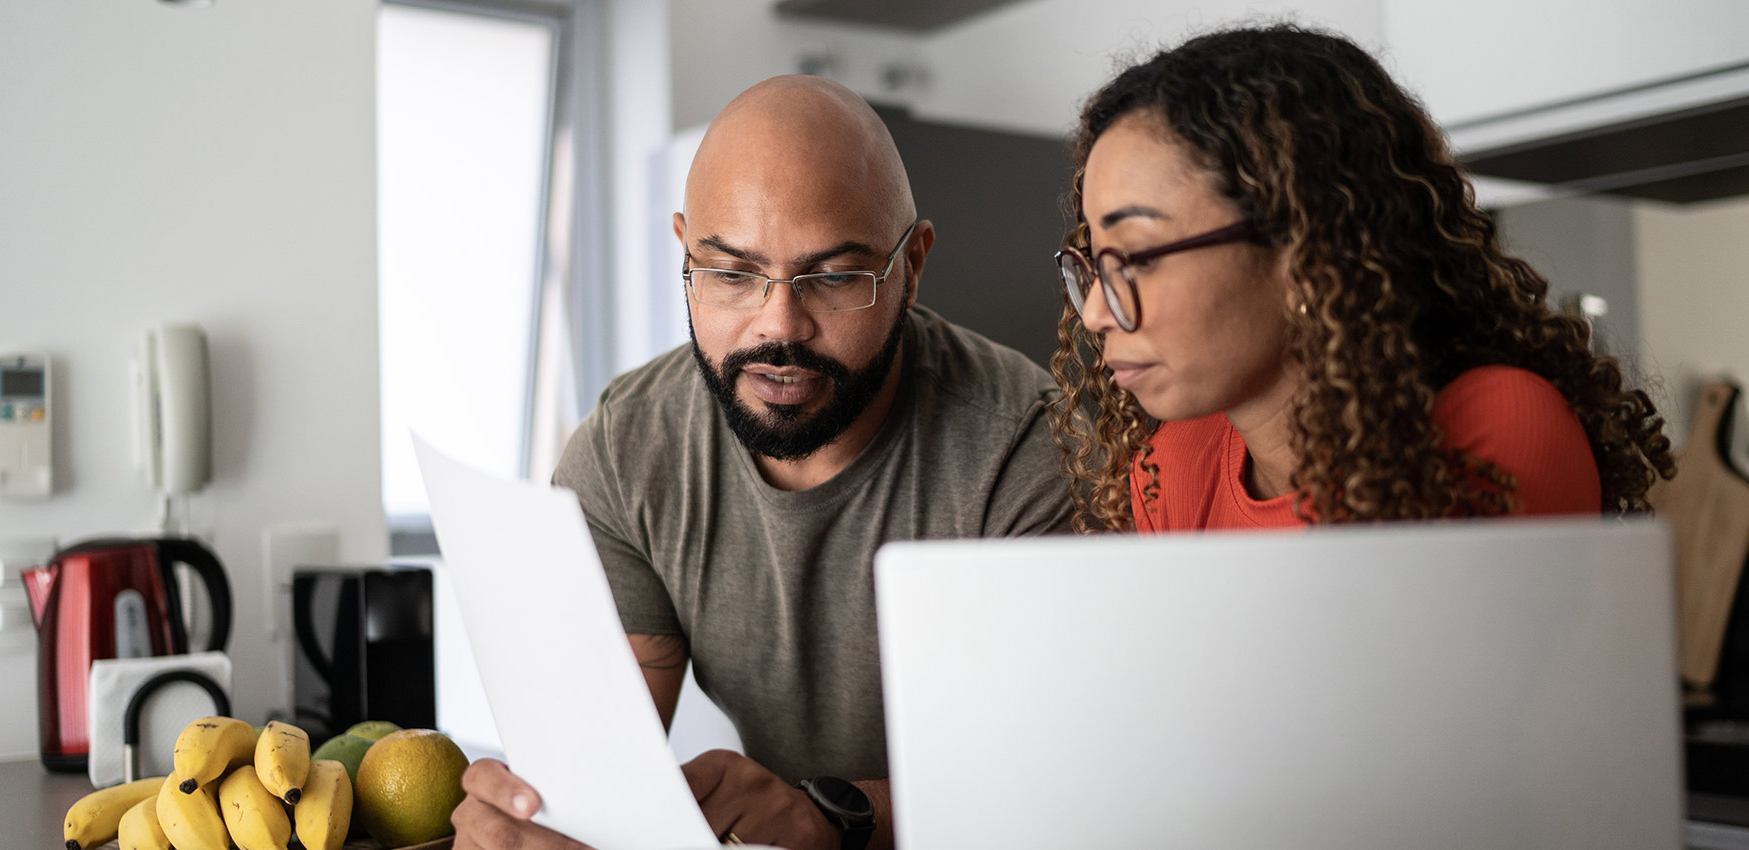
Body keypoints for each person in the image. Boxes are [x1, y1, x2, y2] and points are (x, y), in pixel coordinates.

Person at [451, 76, 1072, 850]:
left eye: (835, 276)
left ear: (912, 266)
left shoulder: (1026, 450)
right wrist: (539, 816)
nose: (777, 326)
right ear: (684, 252)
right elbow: (595, 769)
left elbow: (1057, 782)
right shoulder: (625, 452)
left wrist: (830, 815)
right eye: (732, 274)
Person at [1050, 25, 1674, 532]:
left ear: (1303, 255)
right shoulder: (1174, 466)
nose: (1098, 312)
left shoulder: (1490, 430)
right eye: (1092, 263)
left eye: (1137, 256)